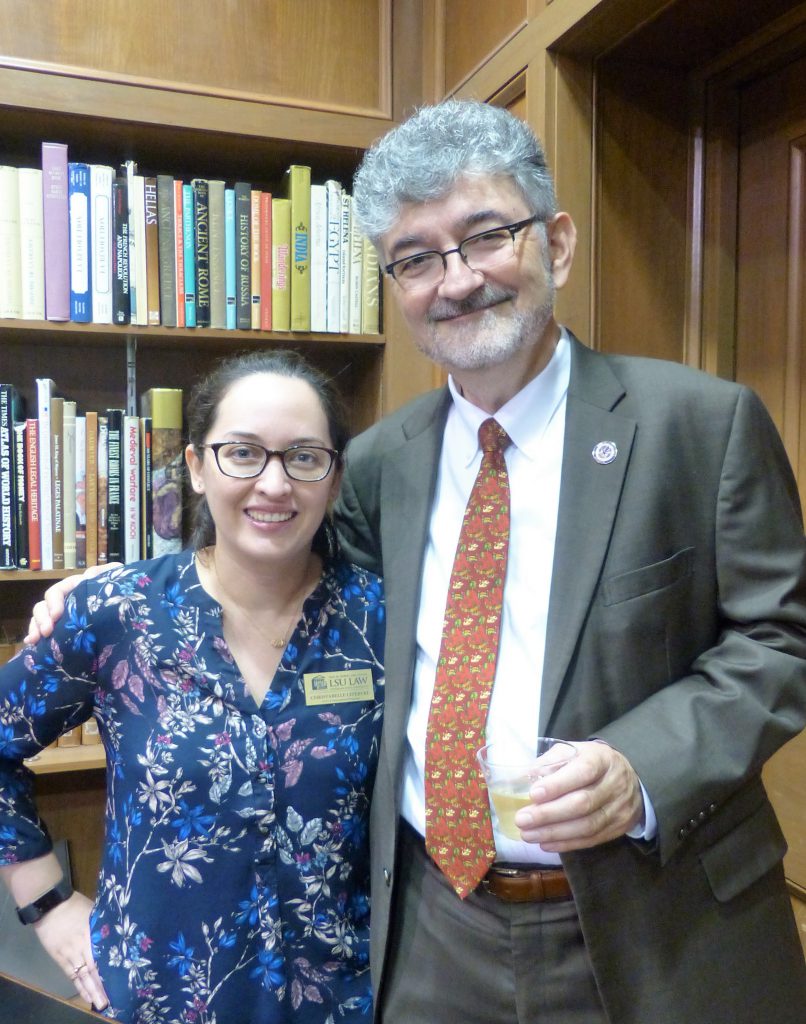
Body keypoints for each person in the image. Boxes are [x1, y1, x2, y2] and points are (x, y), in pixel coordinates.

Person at [26, 100, 806, 1024]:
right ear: (396, 288)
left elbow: (782, 639)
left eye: (487, 235)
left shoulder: (699, 424)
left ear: (555, 245)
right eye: (416, 258)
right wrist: (116, 588)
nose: (458, 279)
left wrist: (644, 768)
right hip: (432, 929)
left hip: (662, 920)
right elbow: (278, 555)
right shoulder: (380, 465)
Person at [0, 349, 385, 1023]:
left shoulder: (382, 620)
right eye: (242, 453)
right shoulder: (118, 613)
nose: (274, 484)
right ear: (197, 467)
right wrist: (47, 905)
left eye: (303, 457)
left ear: (334, 476)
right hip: (162, 1001)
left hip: (344, 1002)